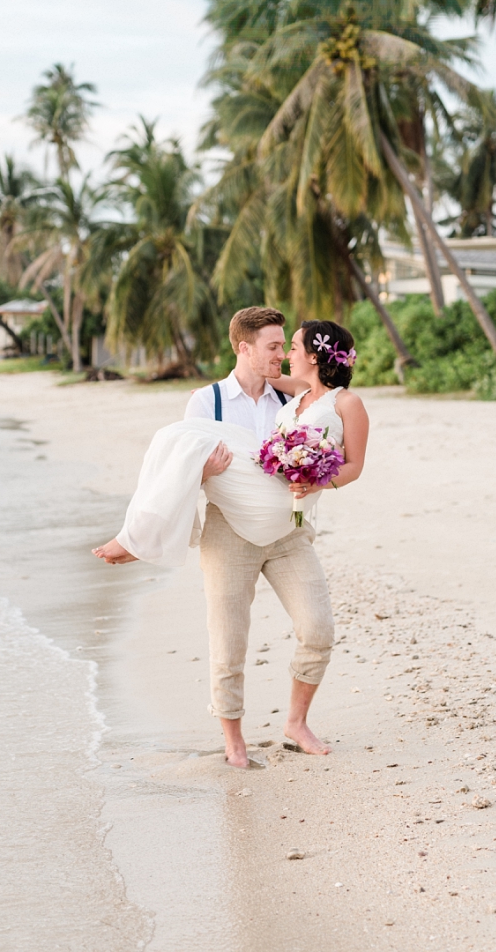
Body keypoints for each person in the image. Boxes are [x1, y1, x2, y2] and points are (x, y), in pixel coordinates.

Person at [94, 307, 369, 769]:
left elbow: (334, 425)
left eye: (287, 346)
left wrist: (316, 478)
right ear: (244, 348)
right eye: (274, 346)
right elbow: (183, 465)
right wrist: (204, 469)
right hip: (230, 532)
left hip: (288, 532)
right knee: (228, 641)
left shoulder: (292, 397)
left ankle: (296, 722)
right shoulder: (208, 401)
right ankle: (234, 740)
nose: (282, 354)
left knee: (318, 629)